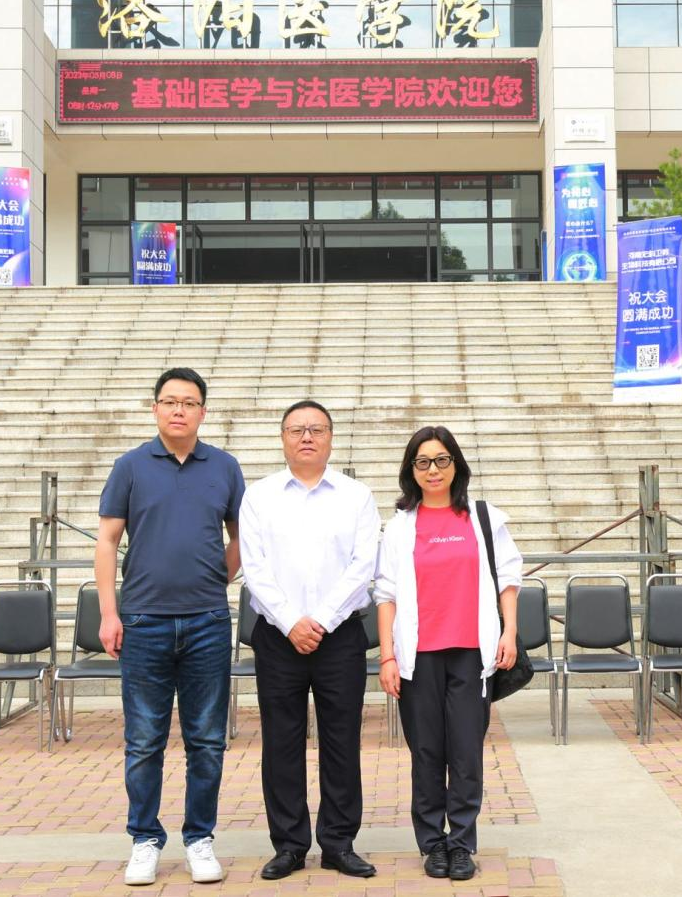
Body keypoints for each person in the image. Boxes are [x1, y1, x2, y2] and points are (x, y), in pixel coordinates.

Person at [95, 368, 245, 887]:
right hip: (143, 621)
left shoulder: (224, 467)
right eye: (170, 401)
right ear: (155, 408)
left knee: (206, 739)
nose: (179, 410)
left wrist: (216, 576)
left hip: (207, 621)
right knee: (143, 740)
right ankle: (144, 839)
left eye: (189, 402)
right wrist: (109, 613)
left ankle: (199, 838)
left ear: (203, 411)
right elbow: (107, 541)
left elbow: (241, 536)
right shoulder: (130, 467)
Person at [238, 400, 381, 881]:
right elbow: (254, 568)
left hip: (340, 636)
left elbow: (363, 566)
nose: (306, 437)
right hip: (278, 637)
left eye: (316, 429)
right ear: (282, 438)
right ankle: (290, 844)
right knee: (281, 742)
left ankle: (339, 842)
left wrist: (318, 620)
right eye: (296, 429)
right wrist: (290, 622)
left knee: (342, 740)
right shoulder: (259, 496)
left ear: (330, 438)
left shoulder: (356, 496)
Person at [373, 425, 522, 882]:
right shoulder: (400, 527)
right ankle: (431, 843)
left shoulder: (482, 518)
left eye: (441, 460)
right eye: (423, 462)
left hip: (471, 654)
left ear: (455, 464)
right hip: (417, 657)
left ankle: (461, 843)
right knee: (426, 752)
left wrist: (510, 632)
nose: (433, 470)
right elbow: (386, 595)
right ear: (411, 470)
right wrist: (387, 657)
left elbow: (508, 579)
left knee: (465, 752)